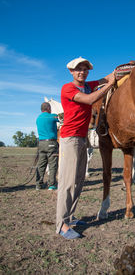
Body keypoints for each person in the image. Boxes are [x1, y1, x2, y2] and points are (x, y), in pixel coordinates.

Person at [56, 56, 116, 239]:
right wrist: (110, 86)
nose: (82, 72)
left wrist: (120, 71)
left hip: (82, 139)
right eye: (78, 69)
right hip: (70, 139)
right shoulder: (69, 88)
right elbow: (90, 100)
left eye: (85, 69)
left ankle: (70, 217)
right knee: (67, 183)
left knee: (78, 180)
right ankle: (61, 225)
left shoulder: (88, 84)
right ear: (71, 72)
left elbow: (105, 78)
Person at [35, 102, 59, 190]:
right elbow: (62, 119)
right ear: (48, 108)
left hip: (41, 143)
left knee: (41, 164)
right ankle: (52, 184)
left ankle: (39, 184)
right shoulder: (52, 116)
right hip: (51, 143)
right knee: (53, 164)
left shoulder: (38, 118)